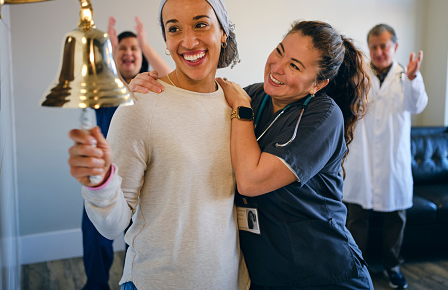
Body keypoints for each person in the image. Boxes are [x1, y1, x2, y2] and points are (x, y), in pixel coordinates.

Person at [132, 20, 374, 289]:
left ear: (317, 83)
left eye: (294, 65)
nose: (277, 67)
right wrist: (153, 88)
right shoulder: (253, 95)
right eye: (280, 51)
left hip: (322, 273)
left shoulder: (323, 116)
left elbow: (250, 181)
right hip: (267, 274)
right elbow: (193, 98)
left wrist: (241, 109)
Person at [68, 0, 249, 290]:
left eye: (201, 24)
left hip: (230, 281)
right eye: (174, 29)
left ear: (223, 31)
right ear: (165, 40)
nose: (189, 41)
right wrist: (99, 183)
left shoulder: (239, 103)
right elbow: (113, 225)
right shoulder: (141, 103)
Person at [81, 16, 171, 290]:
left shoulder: (152, 87)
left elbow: (171, 77)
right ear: (113, 55)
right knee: (97, 234)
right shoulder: (105, 89)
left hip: (143, 180)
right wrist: (106, 47)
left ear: (141, 56)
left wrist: (145, 44)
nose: (129, 52)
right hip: (106, 179)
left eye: (134, 48)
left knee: (137, 241)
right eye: (122, 48)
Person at [342, 24, 428, 289]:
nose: (379, 52)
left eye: (384, 46)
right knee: (356, 217)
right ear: (369, 48)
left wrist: (413, 79)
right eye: (374, 47)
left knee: (395, 218)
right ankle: (357, 267)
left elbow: (417, 105)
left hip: (393, 161)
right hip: (361, 159)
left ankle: (393, 267)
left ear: (395, 47)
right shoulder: (358, 75)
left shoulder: (406, 76)